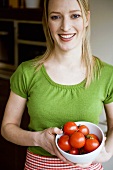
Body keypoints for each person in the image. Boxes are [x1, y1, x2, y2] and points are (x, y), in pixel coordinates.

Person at [1, 0, 113, 169]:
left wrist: (106, 152)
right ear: (47, 21)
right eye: (55, 17)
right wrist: (37, 139)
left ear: (87, 18)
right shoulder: (27, 72)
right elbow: (7, 128)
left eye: (75, 15)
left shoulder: (106, 74)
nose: (65, 27)